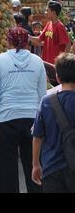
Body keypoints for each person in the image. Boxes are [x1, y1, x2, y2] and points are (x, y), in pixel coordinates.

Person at [0, 26, 46, 193]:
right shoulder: (37, 61)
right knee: (34, 166)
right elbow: (42, 95)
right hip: (33, 121)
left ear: (8, 41)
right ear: (27, 42)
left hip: (6, 119)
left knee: (6, 171)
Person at [32, 53, 75, 193]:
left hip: (51, 167)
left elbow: (37, 137)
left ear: (57, 77)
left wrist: (35, 164)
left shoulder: (47, 101)